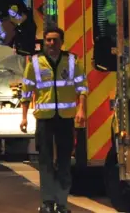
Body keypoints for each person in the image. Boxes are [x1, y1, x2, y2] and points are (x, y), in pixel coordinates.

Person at [19, 27, 87, 213]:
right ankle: (47, 202)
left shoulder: (72, 61)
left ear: (61, 42)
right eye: (48, 40)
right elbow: (26, 91)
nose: (51, 44)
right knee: (45, 162)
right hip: (44, 120)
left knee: (65, 162)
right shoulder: (35, 62)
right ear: (43, 42)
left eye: (55, 40)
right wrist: (24, 117)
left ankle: (62, 203)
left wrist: (81, 110)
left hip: (65, 119)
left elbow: (82, 88)